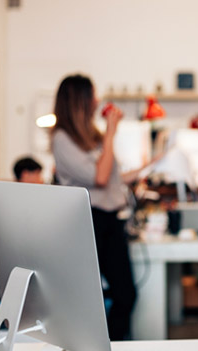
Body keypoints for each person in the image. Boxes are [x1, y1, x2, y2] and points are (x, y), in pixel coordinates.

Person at [51, 74, 156, 340]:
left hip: (110, 221)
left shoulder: (92, 137)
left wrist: (152, 165)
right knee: (86, 299)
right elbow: (98, 177)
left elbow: (112, 177)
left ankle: (111, 344)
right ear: (80, 100)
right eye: (92, 96)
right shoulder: (62, 139)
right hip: (85, 222)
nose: (97, 101)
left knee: (126, 294)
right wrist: (111, 133)